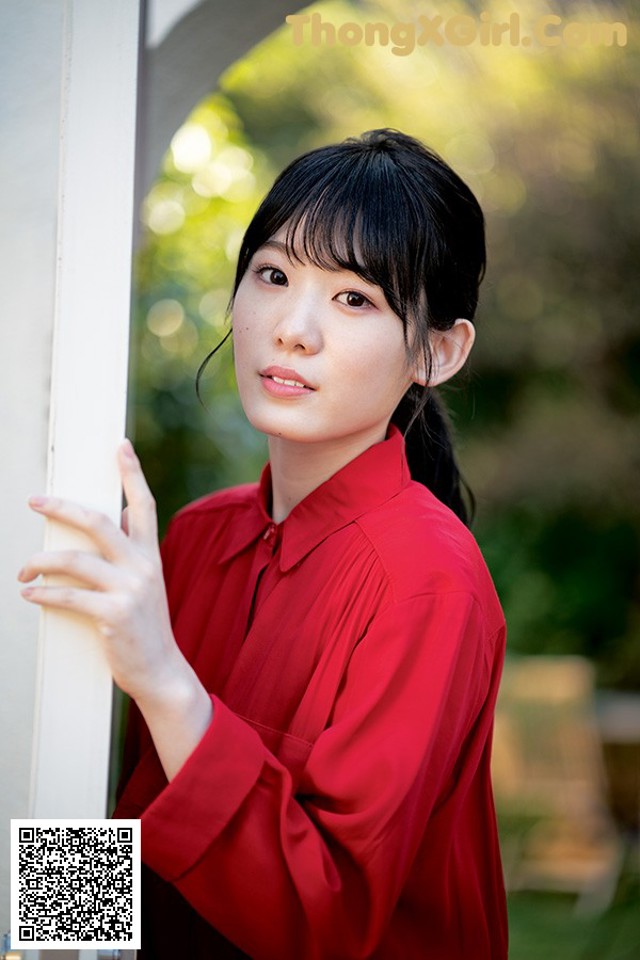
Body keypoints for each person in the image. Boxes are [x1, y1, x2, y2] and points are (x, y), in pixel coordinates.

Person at [19, 129, 508, 959]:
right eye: (274, 276)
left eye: (355, 298)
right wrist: (54, 943)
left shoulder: (431, 582)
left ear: (438, 350)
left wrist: (167, 684)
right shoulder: (198, 535)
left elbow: (329, 920)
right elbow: (134, 803)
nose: (293, 328)